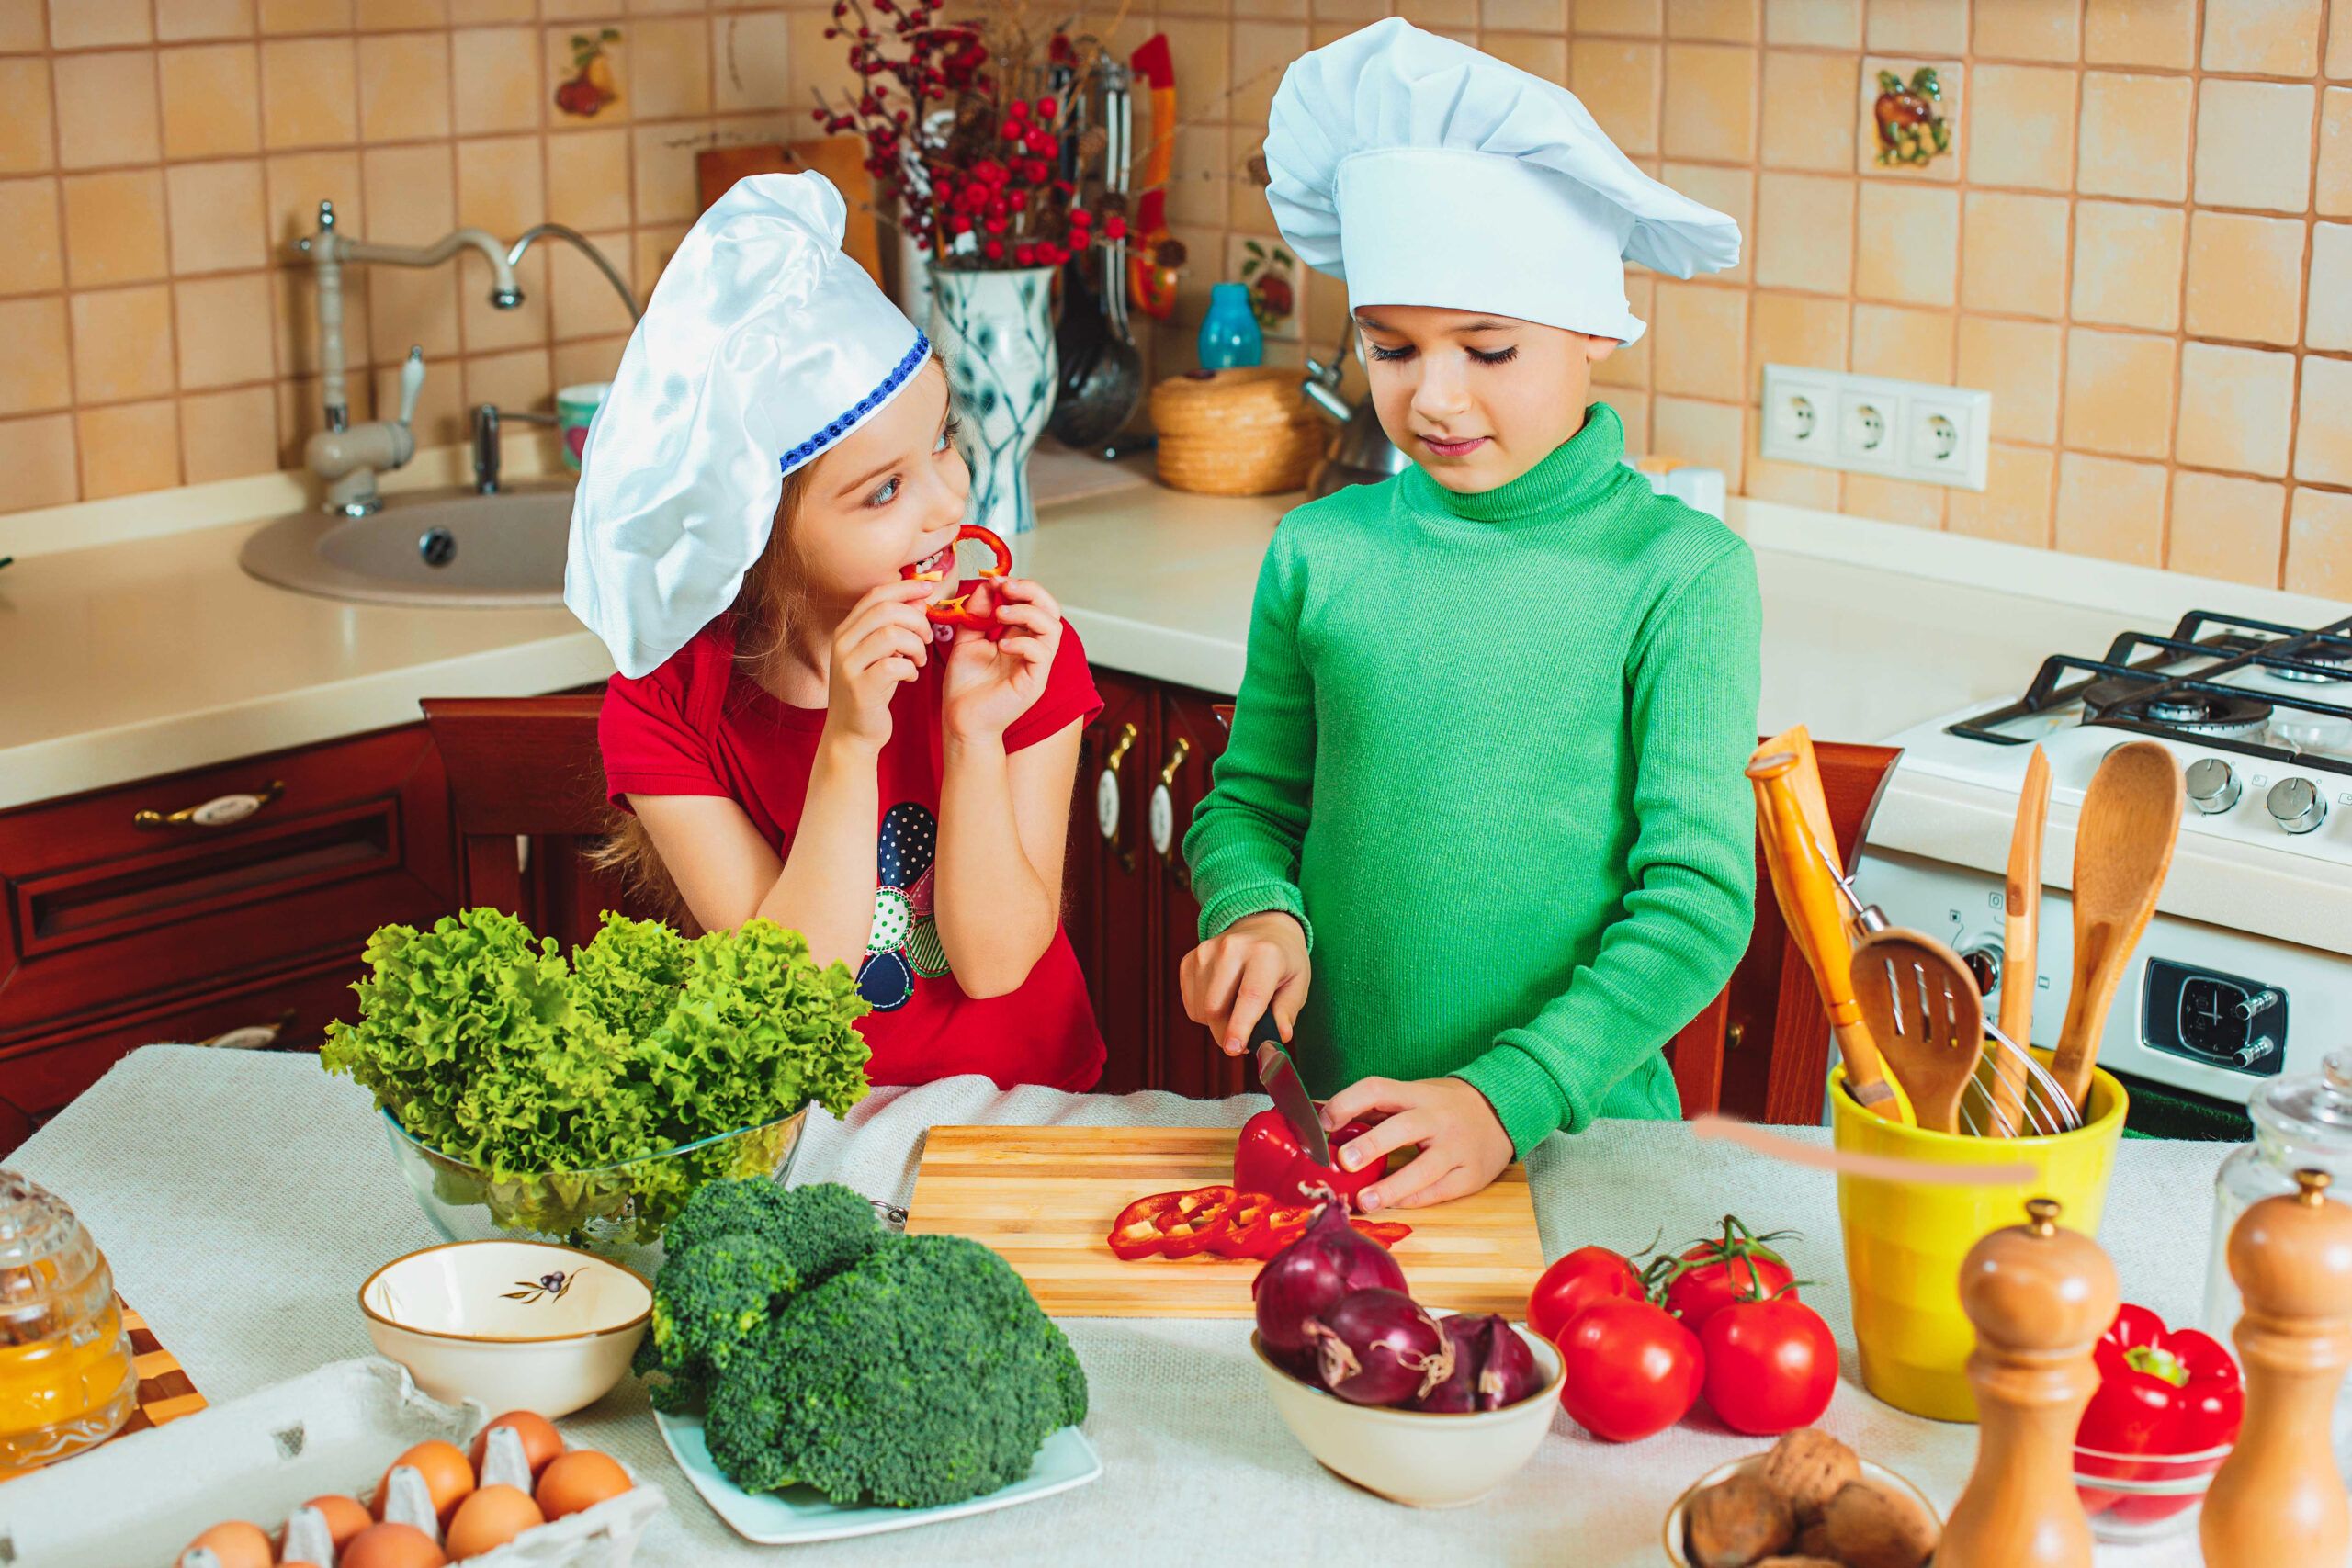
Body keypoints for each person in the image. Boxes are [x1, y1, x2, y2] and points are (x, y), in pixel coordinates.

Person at [1182, 19, 1762, 1209]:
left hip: (1583, 1148)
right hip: (1349, 1139)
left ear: (1595, 330)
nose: (1432, 396)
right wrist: (1255, 909)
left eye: (1488, 349)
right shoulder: (1320, 551)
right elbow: (1249, 804)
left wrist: (1509, 1092)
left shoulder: (1680, 574)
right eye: (1389, 346)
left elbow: (1699, 900)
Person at [565, 172, 1104, 1091]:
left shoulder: (1016, 658)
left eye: (941, 439)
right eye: (883, 490)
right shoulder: (662, 708)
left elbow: (998, 962)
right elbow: (789, 997)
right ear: (759, 530)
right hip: (812, 1131)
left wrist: (972, 736)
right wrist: (852, 744)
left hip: (1025, 1119)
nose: (945, 503)